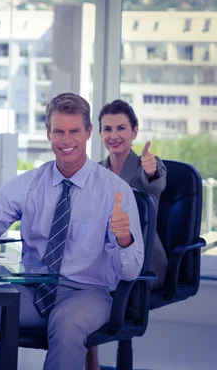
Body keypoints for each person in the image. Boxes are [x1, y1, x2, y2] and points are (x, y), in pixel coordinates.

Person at [0, 93, 144, 370]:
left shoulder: (115, 191)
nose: (66, 140)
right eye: (59, 132)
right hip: (34, 292)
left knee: (66, 322)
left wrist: (124, 238)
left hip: (88, 293)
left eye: (74, 131)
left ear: (88, 132)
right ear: (48, 133)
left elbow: (130, 272)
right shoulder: (30, 183)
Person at [84, 99, 168, 370]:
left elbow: (154, 183)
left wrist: (151, 170)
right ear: (99, 134)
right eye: (107, 129)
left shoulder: (148, 165)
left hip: (144, 262)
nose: (114, 135)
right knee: (75, 287)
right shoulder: (95, 171)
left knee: (85, 290)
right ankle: (90, 363)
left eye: (121, 128)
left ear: (134, 131)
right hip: (107, 258)